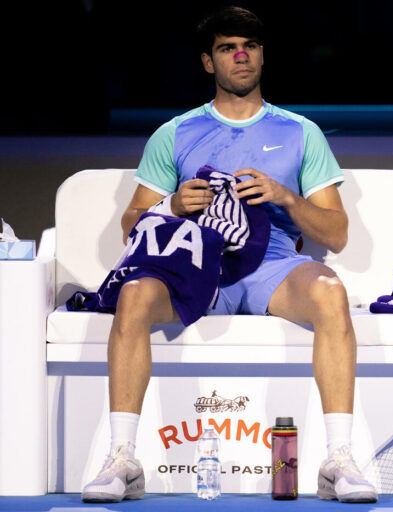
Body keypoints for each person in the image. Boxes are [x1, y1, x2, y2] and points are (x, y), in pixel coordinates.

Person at [81, 6, 377, 504]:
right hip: (194, 266)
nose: (241, 56)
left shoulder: (301, 132)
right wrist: (172, 204)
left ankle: (339, 460)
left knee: (330, 292)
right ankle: (123, 460)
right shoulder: (173, 134)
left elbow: (338, 233)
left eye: (250, 46)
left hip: (273, 266)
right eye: (227, 48)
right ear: (207, 62)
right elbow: (132, 226)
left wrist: (286, 197)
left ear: (262, 56)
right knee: (133, 295)